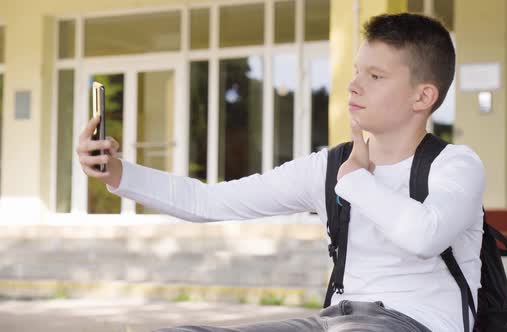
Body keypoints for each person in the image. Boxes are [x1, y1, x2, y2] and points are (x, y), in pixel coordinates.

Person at [76, 13, 484, 332]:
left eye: (375, 76)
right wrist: (116, 172)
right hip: (334, 319)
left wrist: (357, 179)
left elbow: (423, 236)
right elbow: (208, 200)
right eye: (357, 71)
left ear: (423, 96)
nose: (354, 86)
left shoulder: (455, 166)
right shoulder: (325, 168)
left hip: (416, 324)